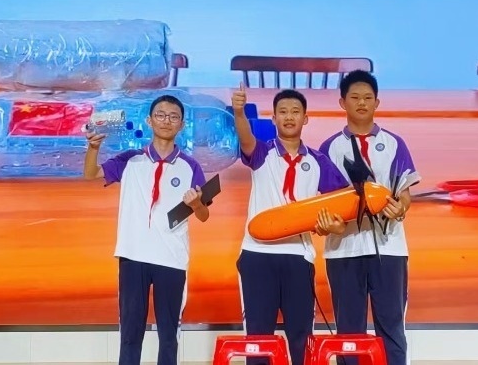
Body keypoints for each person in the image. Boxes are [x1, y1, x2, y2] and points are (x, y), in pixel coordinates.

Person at [83, 94, 210, 365]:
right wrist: (93, 148)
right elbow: (91, 174)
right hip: (133, 256)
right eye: (161, 115)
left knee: (168, 336)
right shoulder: (131, 160)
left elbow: (203, 215)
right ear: (149, 121)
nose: (166, 121)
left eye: (173, 117)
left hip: (172, 259)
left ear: (182, 124)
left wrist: (197, 204)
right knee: (130, 334)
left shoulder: (191, 166)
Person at [232, 82, 350, 365]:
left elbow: (343, 206)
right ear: (273, 118)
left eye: (295, 111)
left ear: (305, 119)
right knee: (259, 338)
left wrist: (334, 227)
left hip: (299, 258)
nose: (288, 116)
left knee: (301, 336)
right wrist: (238, 112)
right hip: (257, 256)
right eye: (282, 112)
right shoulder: (261, 154)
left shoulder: (319, 161)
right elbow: (246, 140)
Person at [316, 70, 421, 365]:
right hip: (344, 251)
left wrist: (401, 207)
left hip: (389, 249)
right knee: (349, 332)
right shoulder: (328, 149)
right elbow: (324, 203)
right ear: (342, 102)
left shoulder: (394, 144)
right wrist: (327, 225)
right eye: (354, 97)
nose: (361, 103)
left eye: (367, 97)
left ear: (377, 102)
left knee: (391, 328)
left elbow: (404, 193)